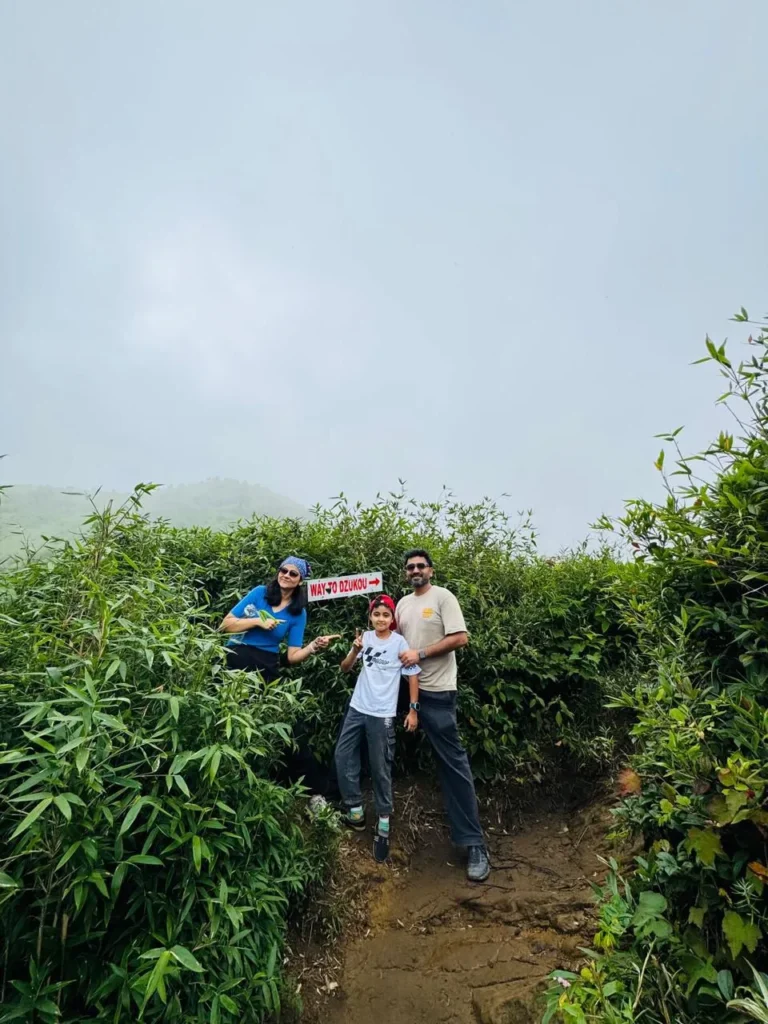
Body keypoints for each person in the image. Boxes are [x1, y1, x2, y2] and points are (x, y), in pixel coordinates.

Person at [396, 549, 491, 882]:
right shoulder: (402, 604)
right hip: (405, 693)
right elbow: (395, 644)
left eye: (421, 566)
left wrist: (419, 653)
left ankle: (474, 844)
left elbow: (460, 638)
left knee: (453, 766)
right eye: (410, 567)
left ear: (431, 571)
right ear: (405, 573)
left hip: (437, 693)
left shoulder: (443, 598)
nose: (416, 570)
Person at [219, 555, 339, 793]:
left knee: (288, 726)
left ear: (300, 581)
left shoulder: (298, 613)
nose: (286, 575)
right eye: (283, 570)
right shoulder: (259, 593)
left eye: (293, 573)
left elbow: (293, 656)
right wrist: (256, 622)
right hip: (235, 659)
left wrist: (314, 646)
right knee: (230, 718)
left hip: (266, 667)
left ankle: (303, 788)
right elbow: (225, 625)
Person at [334, 595, 420, 862]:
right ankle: (355, 811)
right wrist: (354, 650)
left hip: (382, 713)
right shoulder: (365, 639)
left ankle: (384, 818)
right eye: (377, 614)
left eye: (386, 615)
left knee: (380, 764)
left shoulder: (399, 643)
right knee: (342, 755)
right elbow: (345, 668)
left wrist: (413, 709)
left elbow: (413, 674)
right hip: (357, 707)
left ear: (392, 618)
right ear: (370, 616)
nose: (381, 619)